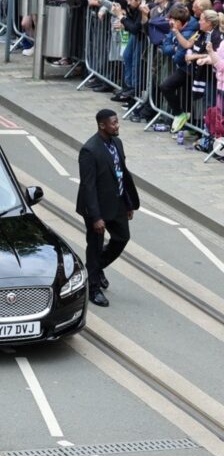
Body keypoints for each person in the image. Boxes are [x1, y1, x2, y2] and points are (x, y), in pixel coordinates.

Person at [75, 109, 139, 307]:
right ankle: (93, 288)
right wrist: (96, 217)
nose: (117, 126)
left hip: (117, 202)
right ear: (102, 125)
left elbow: (122, 174)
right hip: (96, 207)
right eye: (113, 123)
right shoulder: (89, 150)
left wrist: (128, 203)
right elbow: (88, 186)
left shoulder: (117, 143)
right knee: (95, 246)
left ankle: (94, 268)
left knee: (122, 238)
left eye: (117, 122)